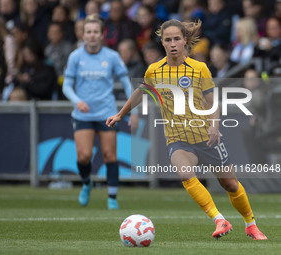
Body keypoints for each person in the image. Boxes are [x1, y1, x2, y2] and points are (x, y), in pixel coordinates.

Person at [106, 19, 268, 240]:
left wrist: (214, 126)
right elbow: (141, 91)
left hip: (206, 136)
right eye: (167, 40)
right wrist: (120, 113)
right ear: (162, 42)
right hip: (178, 139)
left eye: (176, 39)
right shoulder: (154, 70)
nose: (172, 44)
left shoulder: (199, 68)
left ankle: (251, 225)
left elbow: (213, 102)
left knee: (230, 184)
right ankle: (220, 220)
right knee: (185, 173)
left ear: (184, 41)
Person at [63, 14, 138, 210]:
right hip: (83, 115)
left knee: (109, 155)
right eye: (89, 32)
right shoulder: (75, 57)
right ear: (83, 34)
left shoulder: (112, 57)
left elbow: (127, 84)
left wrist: (132, 110)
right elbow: (66, 86)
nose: (92, 35)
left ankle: (112, 198)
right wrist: (77, 101)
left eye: (96, 31)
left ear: (102, 34)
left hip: (107, 113)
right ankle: (87, 182)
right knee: (84, 156)